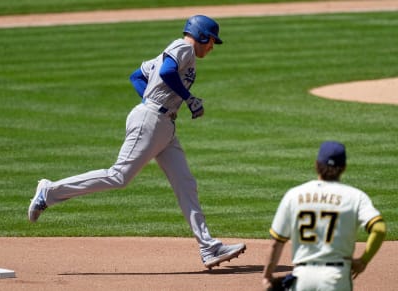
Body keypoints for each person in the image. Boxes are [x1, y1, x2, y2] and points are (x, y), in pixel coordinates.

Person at [28, 15, 246, 269]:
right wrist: (181, 100)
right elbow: (165, 72)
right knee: (119, 176)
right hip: (151, 121)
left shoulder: (174, 52)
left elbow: (137, 76)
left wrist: (157, 100)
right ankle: (49, 191)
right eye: (211, 41)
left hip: (163, 125)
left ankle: (208, 247)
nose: (211, 47)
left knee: (185, 183)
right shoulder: (183, 47)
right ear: (201, 36)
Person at [262, 141, 387, 290]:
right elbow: (379, 229)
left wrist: (267, 276)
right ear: (344, 168)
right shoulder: (355, 197)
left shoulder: (294, 195)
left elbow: (276, 242)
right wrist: (363, 261)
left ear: (316, 165)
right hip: (336, 278)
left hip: (302, 278)